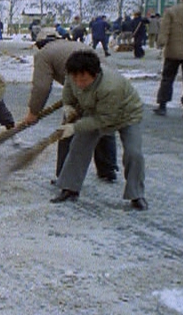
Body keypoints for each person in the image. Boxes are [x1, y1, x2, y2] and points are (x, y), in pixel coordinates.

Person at [50, 50, 147, 210]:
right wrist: (68, 106)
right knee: (79, 145)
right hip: (95, 110)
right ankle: (70, 188)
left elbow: (104, 120)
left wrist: (75, 127)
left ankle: (136, 195)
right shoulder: (72, 76)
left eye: (84, 80)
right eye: (76, 79)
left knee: (133, 152)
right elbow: (68, 90)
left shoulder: (110, 87)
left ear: (95, 74)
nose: (79, 83)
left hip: (126, 115)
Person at [23, 29, 118, 183]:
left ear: (41, 43)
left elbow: (42, 86)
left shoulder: (44, 54)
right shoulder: (73, 45)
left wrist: (33, 112)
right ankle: (108, 170)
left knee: (68, 131)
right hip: (109, 84)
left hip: (84, 89)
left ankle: (65, 176)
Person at [154, 0, 183, 120]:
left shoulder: (172, 11)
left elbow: (165, 31)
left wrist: (160, 44)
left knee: (167, 78)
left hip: (173, 51)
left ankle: (162, 105)